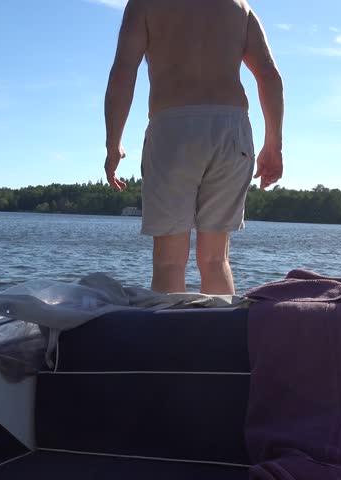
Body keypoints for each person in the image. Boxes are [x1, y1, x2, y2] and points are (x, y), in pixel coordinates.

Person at [103, 0, 284, 295]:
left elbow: (123, 72)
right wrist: (274, 145)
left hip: (174, 126)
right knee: (215, 260)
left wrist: (113, 144)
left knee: (169, 263)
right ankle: (220, 339)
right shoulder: (240, 7)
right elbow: (269, 75)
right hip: (232, 129)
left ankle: (172, 339)